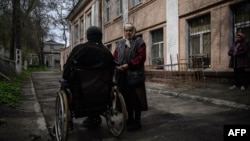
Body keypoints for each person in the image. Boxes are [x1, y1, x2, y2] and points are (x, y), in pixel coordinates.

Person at [62, 26, 114, 128]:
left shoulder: (79, 49)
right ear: (101, 36)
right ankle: (93, 116)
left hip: (80, 94)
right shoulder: (106, 52)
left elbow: (67, 71)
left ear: (88, 36)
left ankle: (70, 117)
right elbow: (112, 69)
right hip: (102, 95)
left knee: (65, 84)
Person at [113, 23, 148, 131]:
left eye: (130, 30)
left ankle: (137, 121)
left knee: (137, 99)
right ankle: (130, 119)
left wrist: (128, 65)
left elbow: (141, 58)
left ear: (134, 31)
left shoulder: (139, 42)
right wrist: (117, 66)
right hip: (123, 77)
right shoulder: (120, 44)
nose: (128, 32)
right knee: (127, 99)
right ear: (124, 32)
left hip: (135, 76)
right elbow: (115, 57)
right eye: (126, 30)